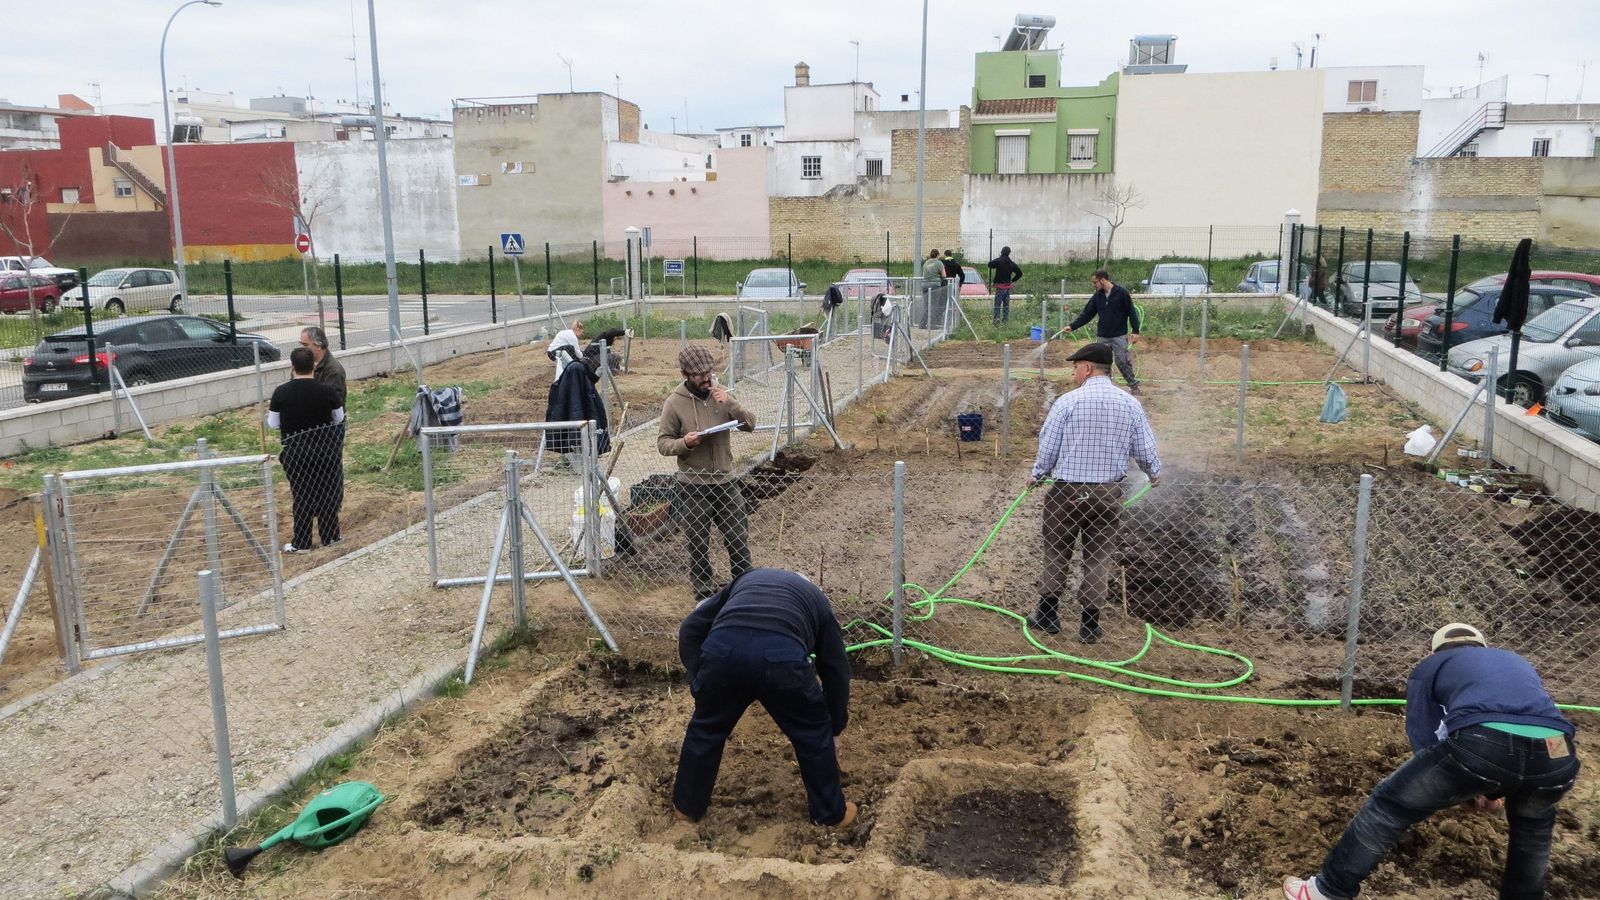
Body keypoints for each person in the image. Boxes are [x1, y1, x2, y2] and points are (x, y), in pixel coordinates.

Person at [1284, 624, 1580, 900]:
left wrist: (1458, 783)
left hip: (1484, 743)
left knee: (1389, 807)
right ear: (1483, 647)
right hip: (1558, 752)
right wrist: (1490, 789)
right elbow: (1523, 738)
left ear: (1432, 652)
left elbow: (1424, 734)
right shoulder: (1516, 662)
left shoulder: (1431, 666)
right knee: (1533, 832)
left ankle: (1327, 891)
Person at [671, 568, 857, 829]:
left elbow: (690, 628)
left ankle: (687, 808)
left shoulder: (746, 580)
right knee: (812, 734)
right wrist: (834, 728)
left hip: (724, 653)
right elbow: (836, 671)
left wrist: (700, 680)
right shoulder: (817, 601)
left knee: (706, 728)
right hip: (782, 660)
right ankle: (830, 815)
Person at [1028, 343, 1161, 643]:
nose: (1073, 372)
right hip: (1107, 493)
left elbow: (1049, 447)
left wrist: (1037, 475)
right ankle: (1089, 625)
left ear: (1088, 369)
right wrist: (1153, 472)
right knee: (1098, 556)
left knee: (1057, 551)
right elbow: (1144, 447)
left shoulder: (1067, 403)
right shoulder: (1129, 404)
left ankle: (1048, 615)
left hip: (1066, 493)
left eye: (1075, 367)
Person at [658, 345, 757, 601]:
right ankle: (703, 593)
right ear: (685, 374)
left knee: (737, 537)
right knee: (698, 543)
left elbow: (750, 425)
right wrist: (685, 443)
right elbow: (663, 443)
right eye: (699, 374)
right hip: (693, 486)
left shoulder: (721, 396)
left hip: (725, 482)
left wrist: (731, 403)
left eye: (709, 372)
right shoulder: (674, 403)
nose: (706, 378)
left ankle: (745, 588)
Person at [269, 347, 346, 553]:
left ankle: (301, 542)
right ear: (313, 365)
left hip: (296, 453)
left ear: (292, 366)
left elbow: (273, 423)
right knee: (327, 493)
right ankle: (330, 537)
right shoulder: (327, 390)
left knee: (302, 495)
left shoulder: (281, 392)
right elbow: (339, 418)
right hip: (325, 452)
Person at [1066, 270, 1143, 393]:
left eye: (1095, 282)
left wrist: (1135, 331)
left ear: (1103, 280)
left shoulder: (1121, 293)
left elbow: (1131, 312)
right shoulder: (1098, 296)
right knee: (1102, 364)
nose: (1094, 285)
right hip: (1103, 336)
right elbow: (1087, 314)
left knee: (1122, 361)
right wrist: (1072, 326)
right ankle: (1106, 388)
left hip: (1119, 335)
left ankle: (1134, 386)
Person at [298, 326, 346, 406]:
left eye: (305, 345)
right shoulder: (303, 363)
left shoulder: (333, 370)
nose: (301, 348)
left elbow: (333, 402)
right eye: (301, 344)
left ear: (319, 346)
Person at [988, 246, 1023, 325]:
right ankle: (1005, 322)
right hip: (1007, 287)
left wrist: (999, 258)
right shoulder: (1011, 263)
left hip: (1000, 287)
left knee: (997, 305)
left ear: (1001, 252)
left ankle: (996, 322)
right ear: (1009, 253)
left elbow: (990, 264)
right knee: (1006, 306)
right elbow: (1020, 273)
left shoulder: (999, 261)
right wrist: (1012, 280)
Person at [921, 250, 945, 328]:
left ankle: (922, 324)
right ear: (937, 255)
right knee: (934, 305)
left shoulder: (926, 263)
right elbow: (944, 275)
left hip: (924, 285)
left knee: (926, 305)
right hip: (934, 285)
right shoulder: (939, 263)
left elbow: (924, 274)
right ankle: (932, 324)